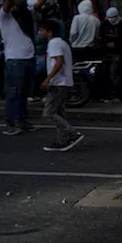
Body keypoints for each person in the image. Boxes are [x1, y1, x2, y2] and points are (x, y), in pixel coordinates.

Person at [0, 0, 45, 136]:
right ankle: (10, 123)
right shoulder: (5, 16)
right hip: (15, 60)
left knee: (24, 94)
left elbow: (40, 2)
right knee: (13, 93)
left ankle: (22, 121)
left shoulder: (27, 15)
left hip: (28, 59)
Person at [37, 19, 84, 152]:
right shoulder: (62, 42)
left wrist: (48, 79)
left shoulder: (54, 43)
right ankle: (63, 140)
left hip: (58, 83)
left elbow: (59, 62)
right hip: (65, 82)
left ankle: (72, 133)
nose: (39, 33)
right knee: (59, 113)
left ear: (50, 32)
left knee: (49, 113)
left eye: (41, 30)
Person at [100, 7, 122, 102]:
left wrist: (117, 45)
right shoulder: (105, 25)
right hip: (107, 53)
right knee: (105, 73)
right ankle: (107, 95)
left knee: (115, 74)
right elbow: (101, 37)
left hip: (119, 54)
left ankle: (118, 95)